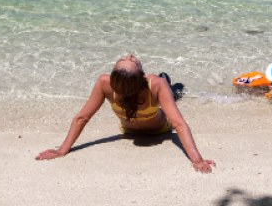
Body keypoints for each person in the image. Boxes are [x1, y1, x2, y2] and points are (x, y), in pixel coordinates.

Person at [36, 54, 216, 173]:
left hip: (128, 131)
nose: (130, 55)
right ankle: (170, 84)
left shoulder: (105, 84)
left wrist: (62, 150)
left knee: (165, 88)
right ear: (142, 77)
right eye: (131, 60)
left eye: (129, 59)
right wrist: (197, 159)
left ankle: (171, 87)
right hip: (160, 130)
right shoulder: (155, 84)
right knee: (166, 85)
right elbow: (177, 123)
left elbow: (82, 117)